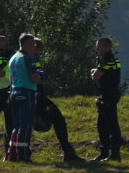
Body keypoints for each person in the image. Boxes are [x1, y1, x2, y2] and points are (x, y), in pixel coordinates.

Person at [23, 34, 87, 165]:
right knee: (51, 120)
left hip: (39, 94)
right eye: (37, 51)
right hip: (34, 95)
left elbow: (42, 74)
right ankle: (67, 152)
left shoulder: (33, 59)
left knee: (56, 119)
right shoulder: (27, 59)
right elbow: (36, 76)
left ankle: (67, 152)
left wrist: (42, 76)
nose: (38, 55)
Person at [2, 34, 38, 163]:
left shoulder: (14, 58)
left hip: (14, 92)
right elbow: (34, 77)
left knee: (16, 126)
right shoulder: (28, 58)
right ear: (28, 44)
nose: (35, 47)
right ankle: (23, 155)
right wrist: (42, 78)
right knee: (26, 126)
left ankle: (12, 154)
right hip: (27, 92)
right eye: (33, 44)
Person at [91, 37, 124, 161]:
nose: (96, 48)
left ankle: (114, 154)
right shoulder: (113, 59)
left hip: (108, 95)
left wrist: (92, 72)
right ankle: (105, 152)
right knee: (102, 125)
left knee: (111, 124)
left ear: (105, 47)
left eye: (98, 46)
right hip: (109, 94)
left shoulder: (107, 59)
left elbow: (96, 76)